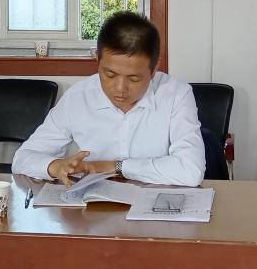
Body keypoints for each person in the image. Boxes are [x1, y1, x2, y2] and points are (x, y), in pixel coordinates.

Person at [12, 11, 205, 187]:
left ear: (154, 69)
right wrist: (55, 166)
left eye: (134, 78)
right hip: (92, 208)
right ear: (97, 59)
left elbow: (191, 171)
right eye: (110, 74)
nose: (120, 88)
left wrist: (113, 166)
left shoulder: (176, 95)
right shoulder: (78, 97)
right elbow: (22, 158)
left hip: (155, 208)